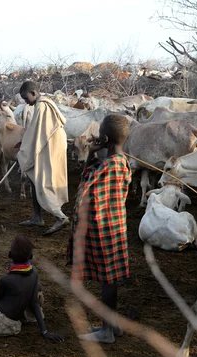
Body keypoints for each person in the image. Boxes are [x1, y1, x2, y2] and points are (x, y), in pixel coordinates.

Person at [66, 114, 132, 344]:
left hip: (104, 229)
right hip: (115, 226)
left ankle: (106, 331)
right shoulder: (119, 161)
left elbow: (85, 186)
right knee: (109, 279)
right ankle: (112, 325)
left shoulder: (110, 166)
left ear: (103, 137)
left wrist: (92, 156)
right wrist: (93, 154)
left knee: (108, 279)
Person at [16, 81, 70, 236]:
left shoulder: (42, 106)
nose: (25, 101)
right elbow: (38, 131)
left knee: (44, 180)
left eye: (26, 97)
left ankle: (60, 217)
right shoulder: (46, 103)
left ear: (33, 93)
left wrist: (24, 148)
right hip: (51, 143)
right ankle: (37, 217)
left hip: (49, 146)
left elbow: (35, 132)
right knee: (35, 179)